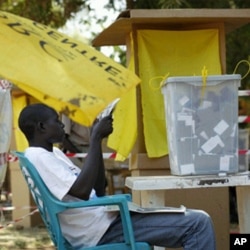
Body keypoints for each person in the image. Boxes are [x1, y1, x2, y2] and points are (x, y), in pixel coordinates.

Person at [18, 103, 216, 250]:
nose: (62, 126)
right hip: (100, 231)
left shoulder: (54, 154)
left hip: (104, 222)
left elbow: (97, 188)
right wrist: (95, 138)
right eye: (57, 122)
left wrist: (99, 139)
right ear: (42, 126)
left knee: (191, 222)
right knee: (198, 223)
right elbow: (81, 193)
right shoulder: (38, 156)